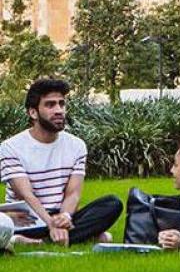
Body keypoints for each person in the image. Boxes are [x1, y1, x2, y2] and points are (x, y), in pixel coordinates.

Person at [0, 78, 121, 246]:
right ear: (33, 112)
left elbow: (73, 194)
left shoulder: (77, 145)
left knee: (112, 203)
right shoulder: (10, 147)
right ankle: (81, 237)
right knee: (4, 221)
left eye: (61, 104)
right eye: (50, 105)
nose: (59, 110)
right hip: (26, 217)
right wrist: (50, 223)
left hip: (61, 213)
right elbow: (26, 195)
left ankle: (41, 241)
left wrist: (64, 219)